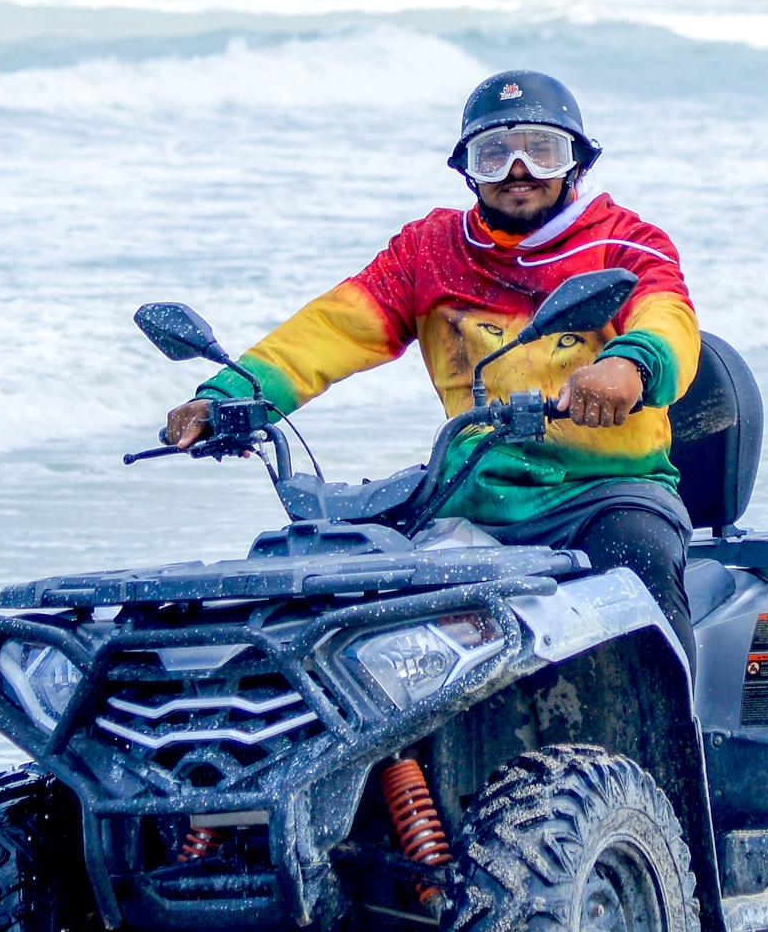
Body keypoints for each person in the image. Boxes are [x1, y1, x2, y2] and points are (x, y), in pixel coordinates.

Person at [163, 70, 703, 634]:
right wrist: (228, 396)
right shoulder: (430, 251)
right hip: (469, 493)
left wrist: (630, 363)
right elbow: (330, 330)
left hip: (601, 495)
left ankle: (676, 722)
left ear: (577, 163)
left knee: (640, 563)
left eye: (542, 150)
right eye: (493, 154)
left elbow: (669, 319)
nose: (519, 171)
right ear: (468, 171)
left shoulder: (624, 242)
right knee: (331, 597)